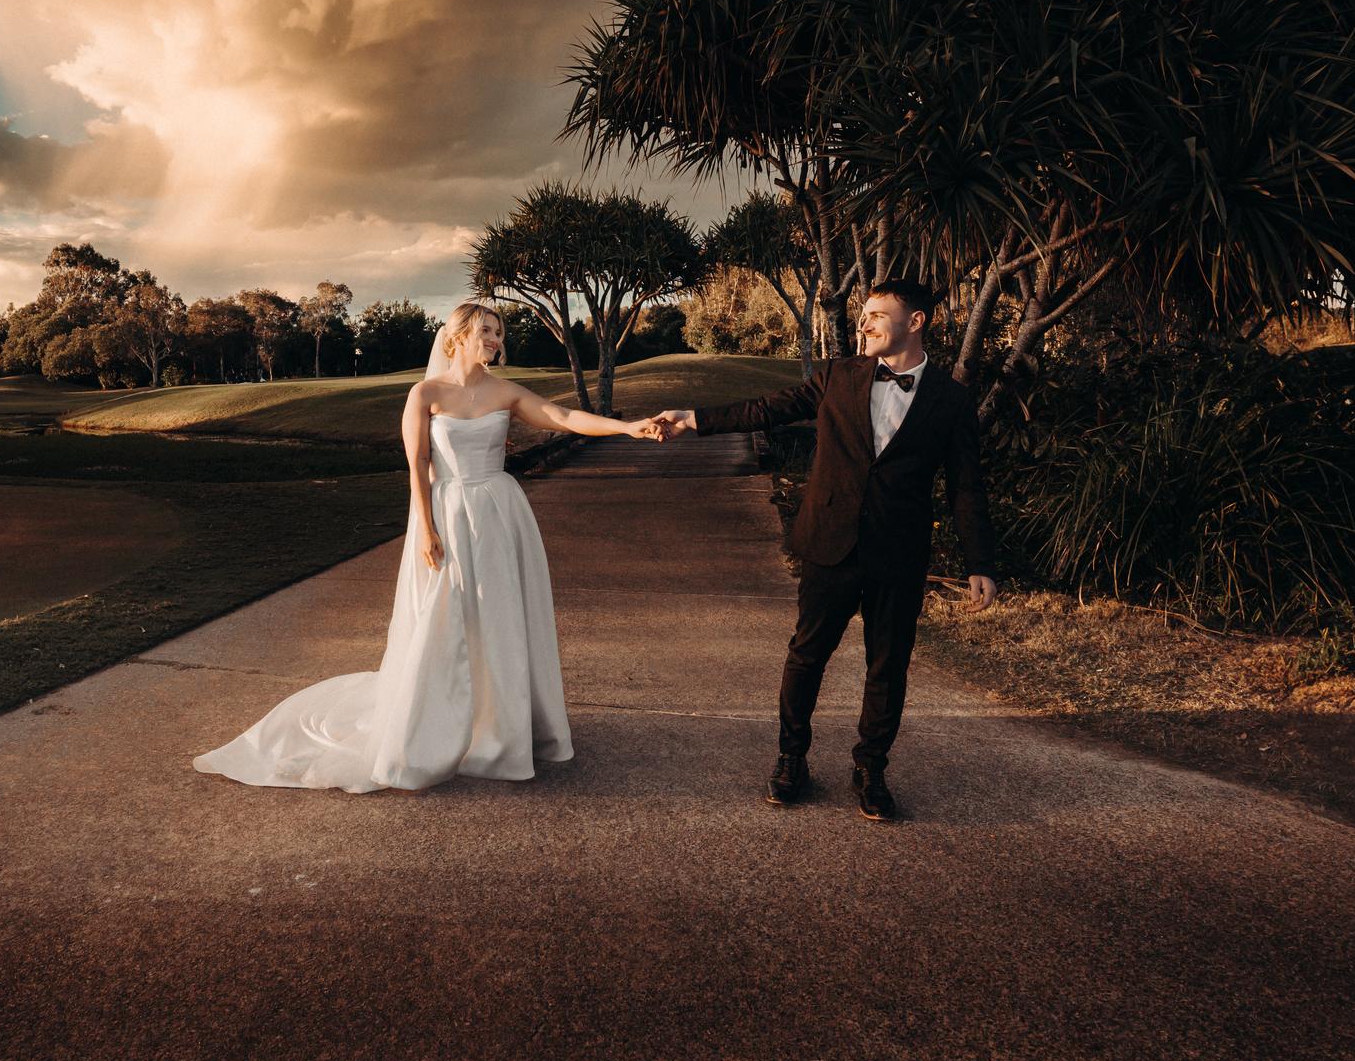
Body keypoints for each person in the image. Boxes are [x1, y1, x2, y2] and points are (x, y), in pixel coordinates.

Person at [193, 301, 662, 793]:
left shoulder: (504, 391)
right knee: (447, 618)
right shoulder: (425, 393)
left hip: (501, 514)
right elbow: (417, 463)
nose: (495, 340)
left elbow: (563, 416)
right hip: (448, 514)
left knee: (499, 616)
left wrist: (628, 427)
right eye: (485, 331)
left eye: (498, 333)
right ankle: (439, 725)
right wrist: (426, 527)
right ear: (457, 336)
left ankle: (501, 729)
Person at [644, 278, 997, 820]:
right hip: (829, 542)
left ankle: (871, 768)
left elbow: (966, 485)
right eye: (863, 314)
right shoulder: (837, 376)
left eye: (878, 314)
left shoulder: (951, 399)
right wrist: (693, 419)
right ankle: (792, 760)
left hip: (898, 554)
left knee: (888, 665)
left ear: (917, 321)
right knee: (807, 656)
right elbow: (767, 409)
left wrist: (979, 564)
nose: (865, 324)